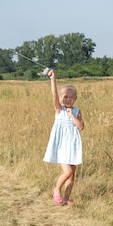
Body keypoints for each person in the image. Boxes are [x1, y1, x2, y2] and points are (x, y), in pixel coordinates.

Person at [43, 69, 84, 206]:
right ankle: (56, 189)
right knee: (67, 171)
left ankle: (66, 200)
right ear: (61, 98)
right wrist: (53, 79)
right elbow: (54, 94)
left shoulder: (77, 111)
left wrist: (72, 115)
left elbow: (81, 126)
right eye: (65, 97)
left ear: (75, 99)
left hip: (73, 146)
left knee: (72, 176)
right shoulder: (59, 110)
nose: (68, 99)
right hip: (61, 146)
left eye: (71, 97)